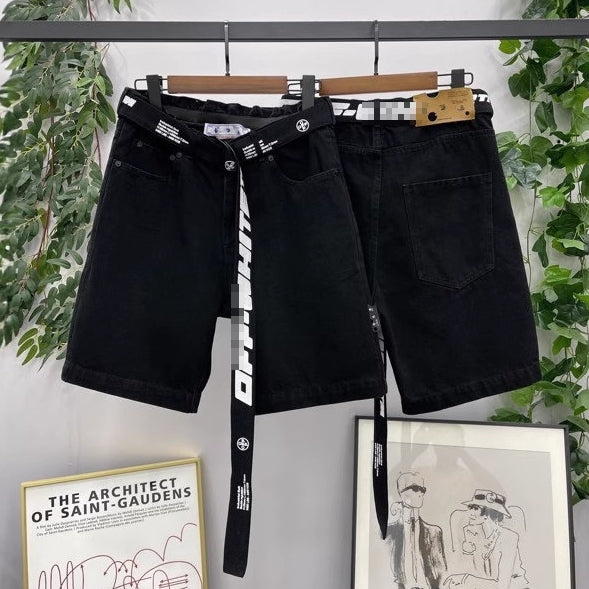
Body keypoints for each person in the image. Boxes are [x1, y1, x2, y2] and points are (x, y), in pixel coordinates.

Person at [443, 489, 530, 589]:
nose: (469, 513)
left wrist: (466, 579)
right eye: (470, 508)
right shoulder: (472, 534)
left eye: (475, 508)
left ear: (489, 513)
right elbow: (470, 571)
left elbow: (503, 584)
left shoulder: (509, 537)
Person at [386, 471, 447, 589]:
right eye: (415, 488)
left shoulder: (434, 532)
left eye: (423, 490)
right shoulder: (388, 533)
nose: (421, 493)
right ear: (402, 493)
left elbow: (441, 571)